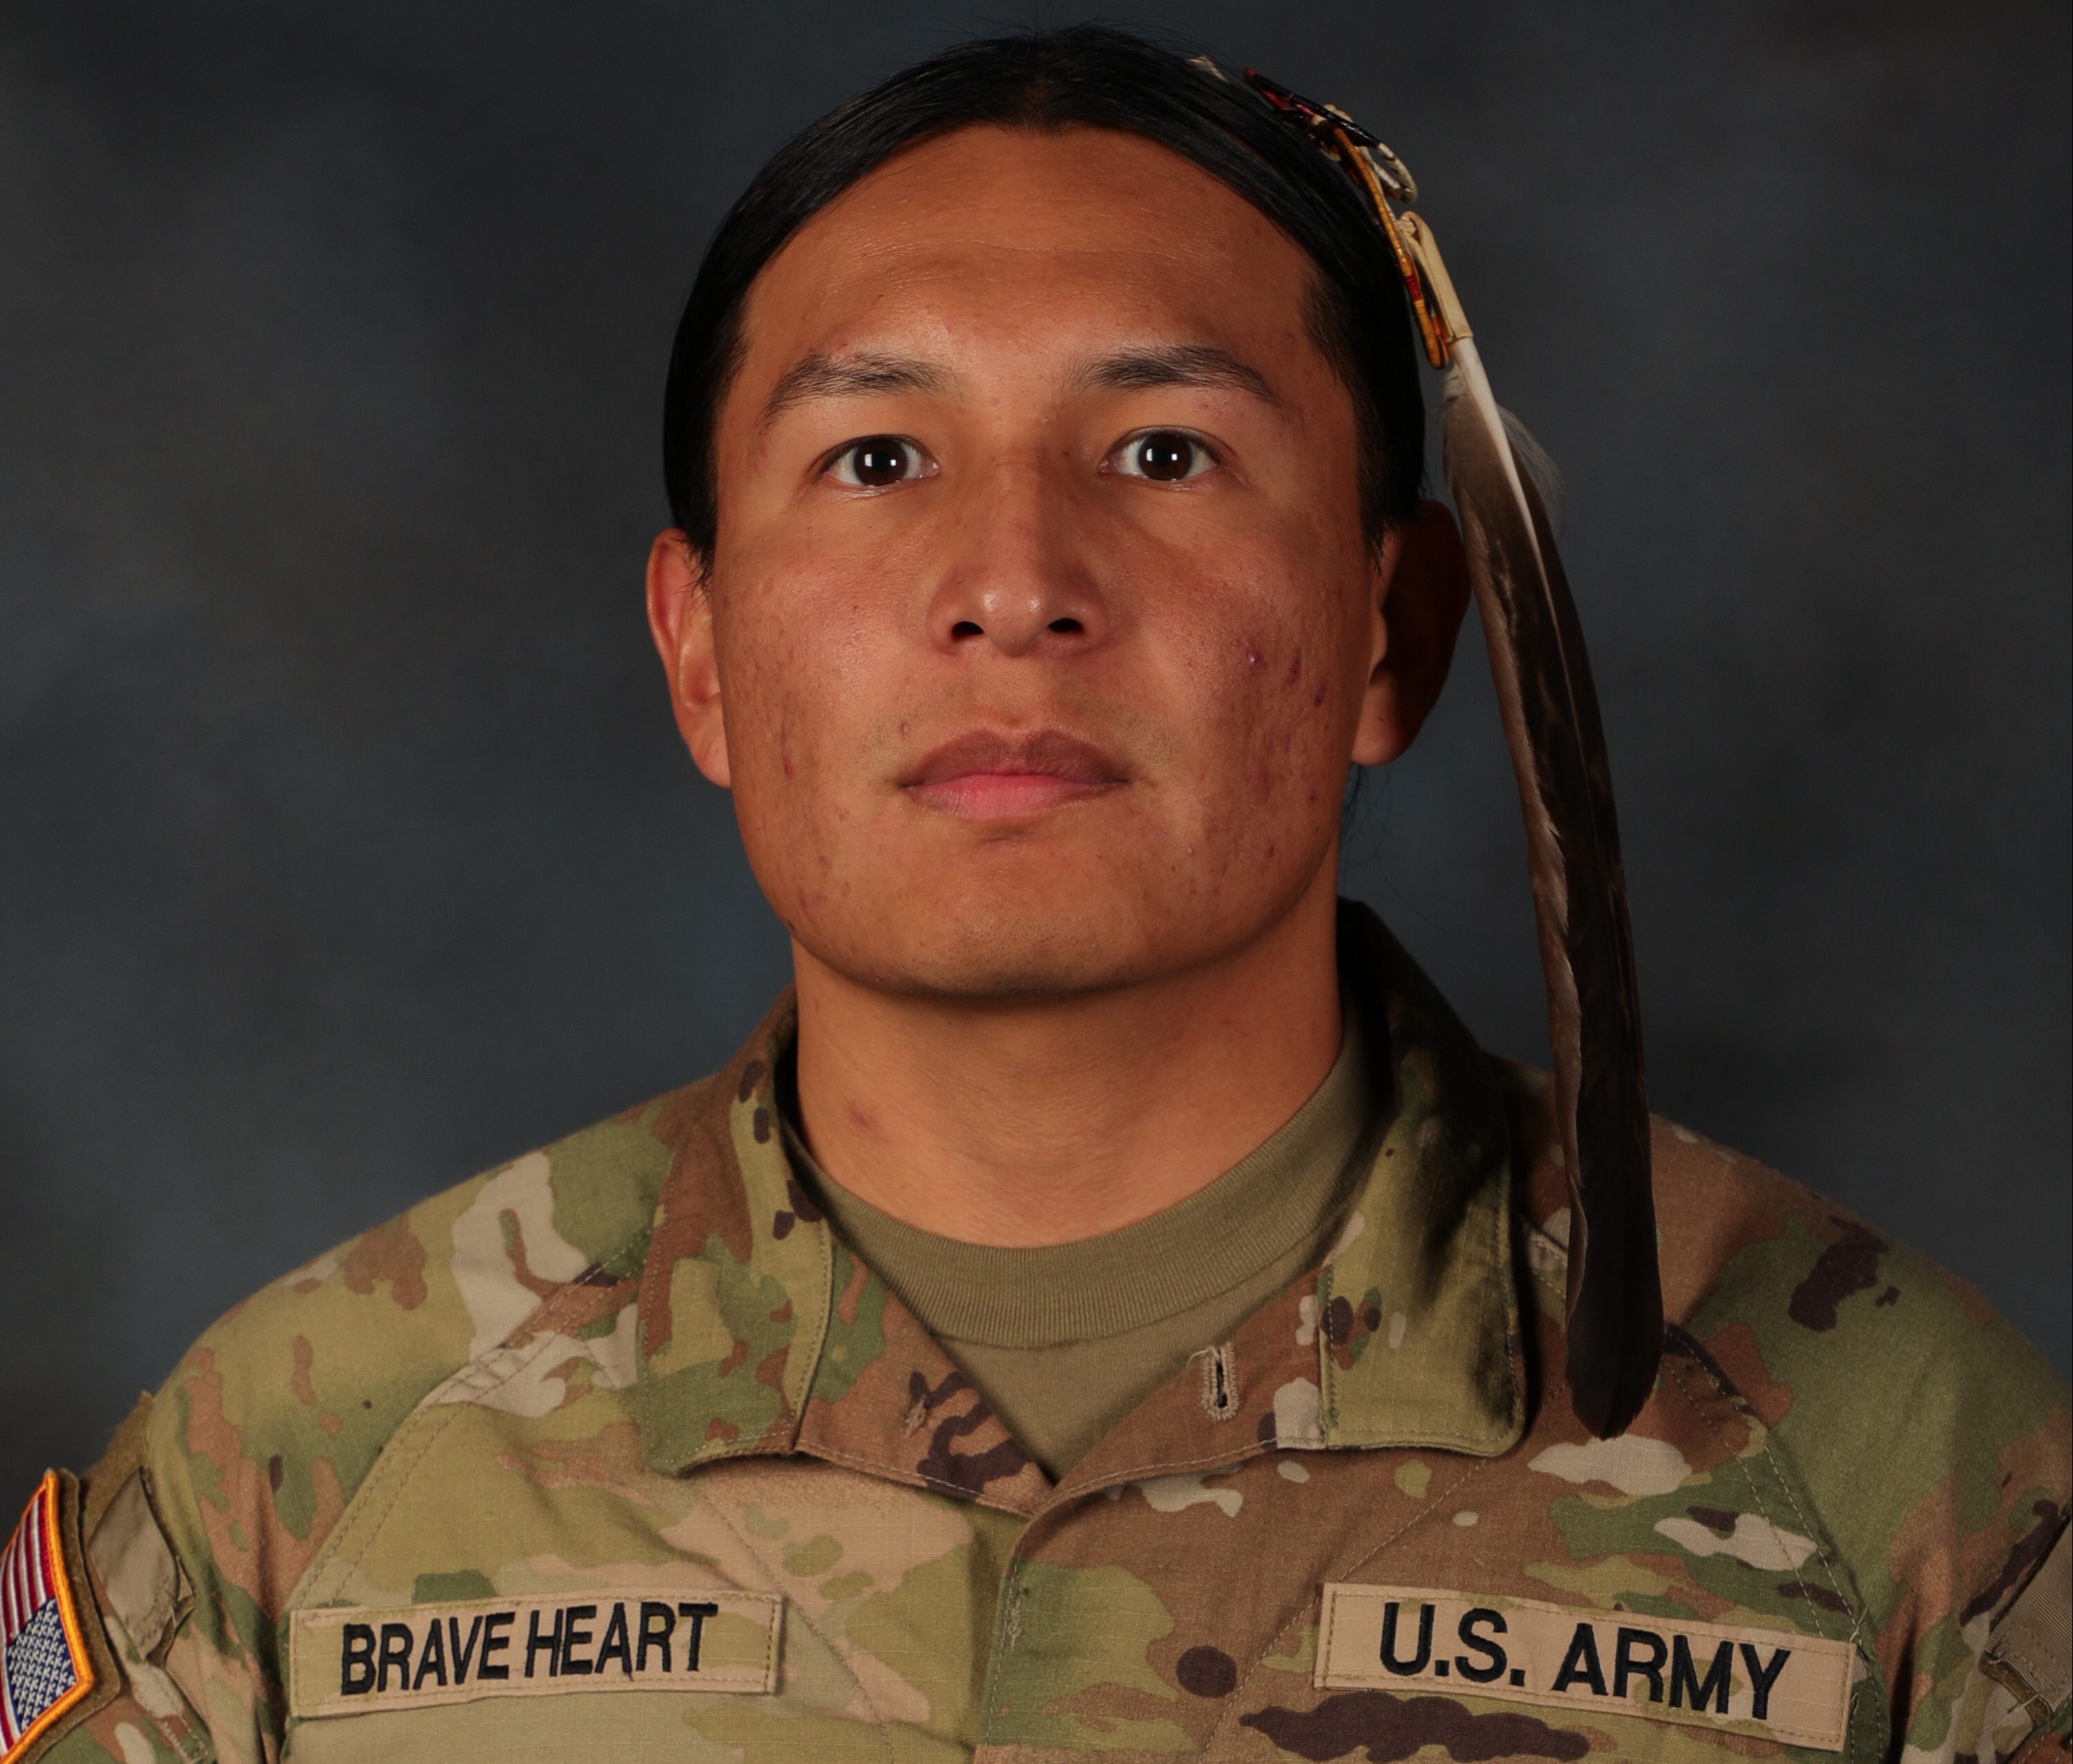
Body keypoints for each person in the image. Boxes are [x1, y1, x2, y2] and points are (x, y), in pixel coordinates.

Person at [6, 26, 2065, 1764]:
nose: (1014, 581)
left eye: (1164, 451)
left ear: (1395, 623)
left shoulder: (1898, 1470)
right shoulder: (294, 1471)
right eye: (877, 458)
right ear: (700, 649)